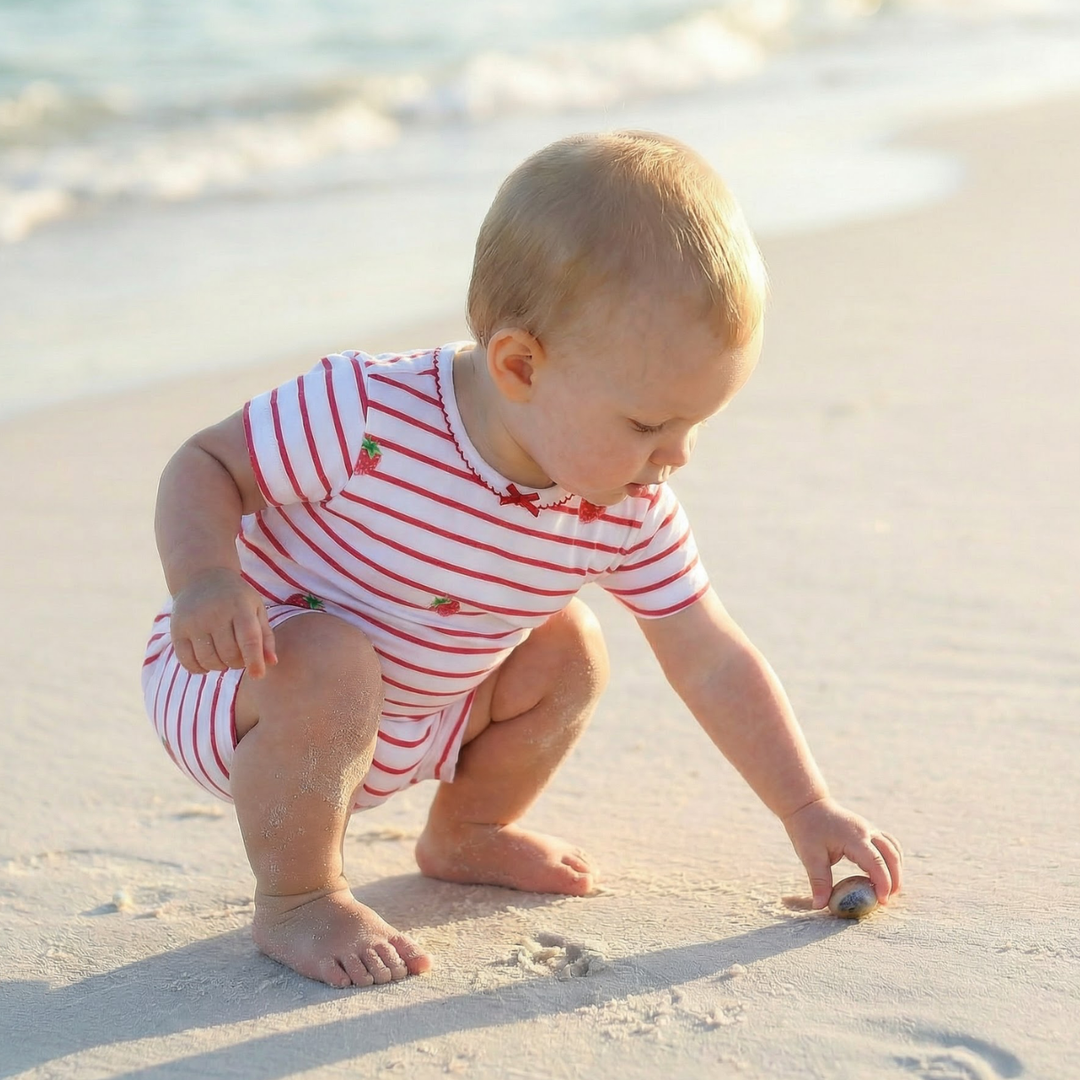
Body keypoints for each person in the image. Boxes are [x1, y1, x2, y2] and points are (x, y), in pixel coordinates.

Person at [143, 130, 902, 989]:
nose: (676, 457)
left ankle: (466, 830)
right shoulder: (367, 412)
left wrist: (806, 807)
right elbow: (204, 464)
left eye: (696, 425)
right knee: (334, 661)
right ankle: (297, 897)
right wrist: (205, 580)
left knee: (570, 647)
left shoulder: (622, 502)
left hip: (417, 713)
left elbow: (711, 654)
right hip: (249, 682)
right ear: (519, 365)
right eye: (650, 425)